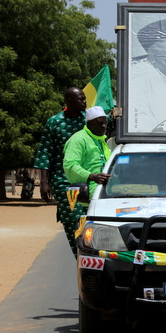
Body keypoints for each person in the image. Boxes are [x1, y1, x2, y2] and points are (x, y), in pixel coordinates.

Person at [33, 87, 86, 256]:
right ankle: (79, 257)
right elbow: (45, 152)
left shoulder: (87, 121)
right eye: (81, 99)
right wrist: (44, 183)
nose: (85, 102)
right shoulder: (54, 122)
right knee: (73, 220)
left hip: (87, 178)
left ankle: (88, 259)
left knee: (89, 221)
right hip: (63, 181)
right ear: (69, 101)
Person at [62, 106, 111, 256]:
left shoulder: (102, 140)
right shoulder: (78, 139)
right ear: (89, 123)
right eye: (99, 122)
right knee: (86, 246)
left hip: (105, 198)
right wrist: (92, 176)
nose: (103, 125)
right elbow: (70, 165)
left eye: (105, 122)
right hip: (86, 201)